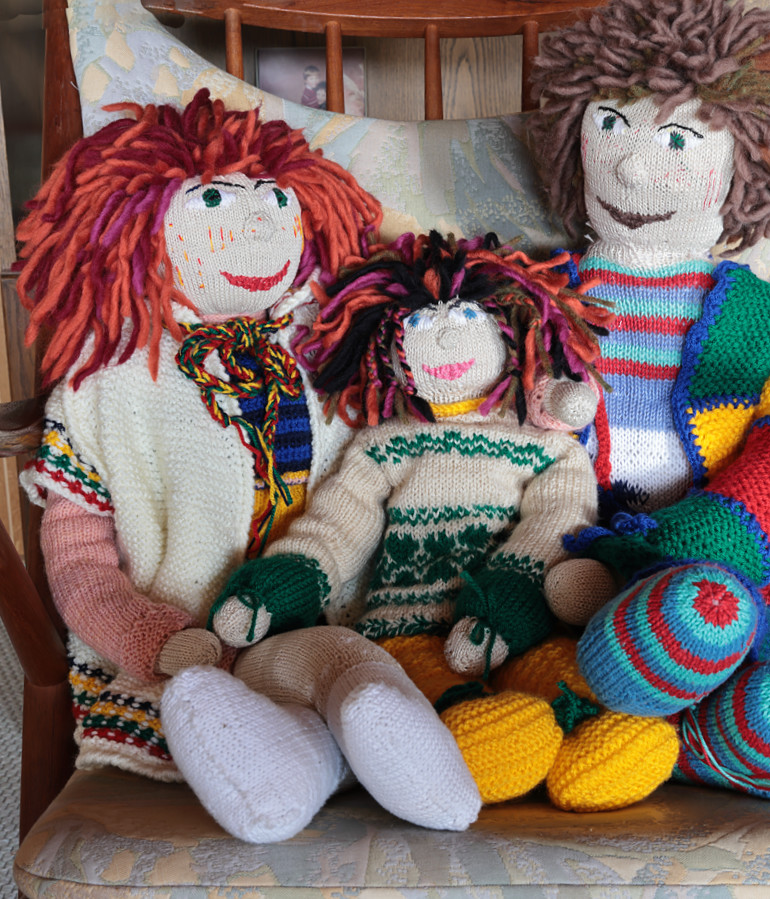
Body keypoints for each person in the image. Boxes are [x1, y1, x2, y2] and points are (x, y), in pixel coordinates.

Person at [16, 90, 482, 841]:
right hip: (188, 645)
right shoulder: (109, 379)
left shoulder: (332, 335)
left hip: (332, 614)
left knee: (342, 666)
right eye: (212, 199)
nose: (260, 222)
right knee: (207, 698)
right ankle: (297, 758)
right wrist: (148, 636)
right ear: (135, 226)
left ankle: (365, 730)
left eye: (275, 197)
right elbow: (77, 553)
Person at [527, 0, 770, 801]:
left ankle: (697, 719)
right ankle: (683, 735)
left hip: (709, 573)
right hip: (550, 562)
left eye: (679, 140)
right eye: (610, 127)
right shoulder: (526, 298)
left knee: (707, 615)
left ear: (743, 165)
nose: (630, 169)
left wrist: (698, 542)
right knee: (559, 643)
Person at [206, 231, 681, 812]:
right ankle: (477, 750)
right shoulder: (385, 445)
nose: (447, 338)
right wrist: (293, 579)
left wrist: (508, 596)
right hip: (406, 629)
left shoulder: (546, 447)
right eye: (422, 325)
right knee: (437, 698)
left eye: (467, 318)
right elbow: (339, 525)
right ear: (387, 347)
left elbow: (558, 521)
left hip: (521, 626)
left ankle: (593, 742)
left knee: (566, 678)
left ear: (511, 335)